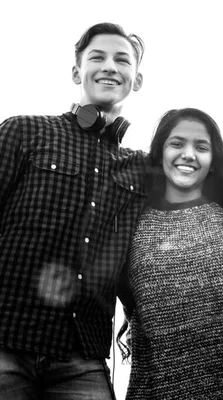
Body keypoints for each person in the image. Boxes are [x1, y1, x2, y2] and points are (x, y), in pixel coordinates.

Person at [0, 22, 146, 399]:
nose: (110, 66)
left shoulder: (143, 170)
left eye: (122, 60)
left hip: (83, 360)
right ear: (76, 72)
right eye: (97, 57)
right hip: (5, 343)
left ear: (137, 79)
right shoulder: (24, 131)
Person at [117, 108, 223, 399]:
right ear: (160, 153)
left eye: (201, 147)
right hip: (155, 392)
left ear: (213, 162)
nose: (188, 154)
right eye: (177, 144)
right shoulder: (130, 222)